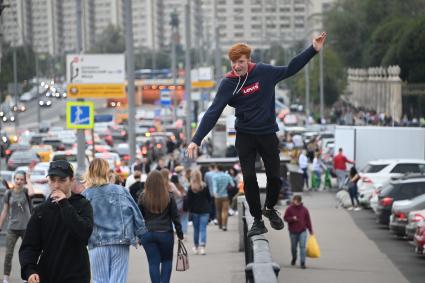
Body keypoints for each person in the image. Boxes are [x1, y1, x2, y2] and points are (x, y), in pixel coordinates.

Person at [187, 32, 327, 237]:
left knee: (275, 177)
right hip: (245, 136)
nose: (237, 66)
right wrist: (196, 139)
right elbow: (213, 111)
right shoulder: (228, 83)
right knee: (249, 178)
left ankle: (269, 208)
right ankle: (257, 220)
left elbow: (291, 68)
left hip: (267, 133)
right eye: (234, 63)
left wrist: (313, 49)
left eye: (241, 62)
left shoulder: (264, 72)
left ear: (248, 60)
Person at [19, 160, 93, 283]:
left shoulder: (83, 205)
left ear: (72, 180)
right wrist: (30, 271)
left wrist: (65, 204)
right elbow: (29, 246)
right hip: (48, 274)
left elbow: (85, 233)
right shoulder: (41, 211)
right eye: (52, 180)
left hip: (77, 275)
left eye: (62, 180)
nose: (56, 185)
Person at [81, 158, 146, 283]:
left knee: (99, 280)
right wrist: (140, 233)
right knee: (118, 280)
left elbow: (81, 221)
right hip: (120, 242)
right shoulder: (120, 191)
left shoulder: (85, 195)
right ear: (107, 172)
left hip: (96, 243)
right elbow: (135, 212)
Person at [138, 171, 183, 283]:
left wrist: (139, 235)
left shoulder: (143, 196)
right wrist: (180, 233)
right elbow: (175, 217)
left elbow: (138, 217)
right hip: (165, 233)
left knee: (153, 263)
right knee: (167, 261)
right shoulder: (169, 196)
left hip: (147, 233)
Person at [0, 171, 35, 283]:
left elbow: (32, 193)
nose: (19, 181)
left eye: (21, 179)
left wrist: (28, 179)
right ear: (14, 179)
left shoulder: (25, 191)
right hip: (12, 228)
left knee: (27, 254)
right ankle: (5, 277)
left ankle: (28, 277)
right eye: (17, 179)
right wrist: (0, 224)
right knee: (9, 253)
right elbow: (5, 211)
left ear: (24, 181)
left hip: (26, 228)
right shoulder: (9, 193)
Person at [283, 195, 313, 269]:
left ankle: (302, 262)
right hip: (293, 231)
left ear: (300, 201)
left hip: (302, 231)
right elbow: (285, 218)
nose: (296, 202)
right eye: (295, 201)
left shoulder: (304, 210)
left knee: (302, 247)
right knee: (293, 247)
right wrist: (292, 219)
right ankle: (294, 257)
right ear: (293, 200)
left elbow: (308, 220)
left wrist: (311, 230)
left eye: (298, 201)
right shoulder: (289, 209)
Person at [186, 169, 211, 255]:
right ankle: (202, 247)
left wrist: (187, 210)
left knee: (196, 230)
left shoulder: (190, 188)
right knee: (203, 229)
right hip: (205, 210)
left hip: (195, 211)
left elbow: (188, 201)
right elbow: (209, 198)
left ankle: (196, 247)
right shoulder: (204, 186)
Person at [212, 165, 235, 231]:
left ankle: (220, 225)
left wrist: (215, 193)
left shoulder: (215, 177)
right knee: (225, 211)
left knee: (218, 211)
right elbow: (233, 185)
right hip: (225, 196)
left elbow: (214, 186)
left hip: (217, 196)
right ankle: (224, 225)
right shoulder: (227, 176)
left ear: (217, 169)